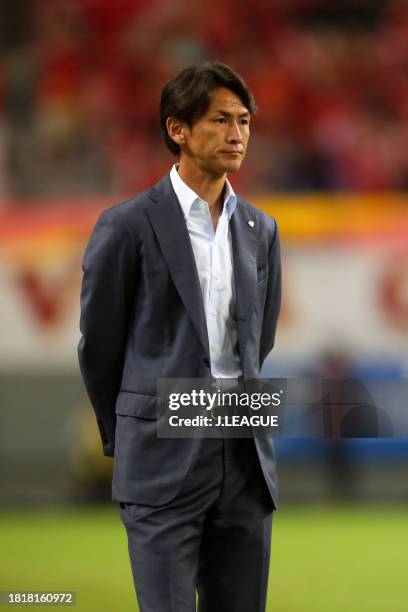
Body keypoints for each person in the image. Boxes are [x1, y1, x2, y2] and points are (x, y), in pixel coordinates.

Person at [78, 61, 281, 612]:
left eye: (243, 121)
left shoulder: (261, 229)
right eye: (220, 119)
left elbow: (258, 340)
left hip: (242, 454)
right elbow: (98, 349)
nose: (237, 134)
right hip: (160, 456)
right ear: (178, 130)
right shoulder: (125, 225)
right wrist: (127, 431)